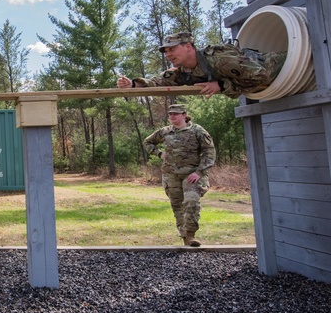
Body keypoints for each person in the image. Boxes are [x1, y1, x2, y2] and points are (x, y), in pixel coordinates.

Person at [115, 32, 286, 98]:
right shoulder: (184, 72)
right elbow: (158, 82)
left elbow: (262, 75)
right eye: (166, 52)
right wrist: (132, 84)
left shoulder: (219, 58)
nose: (168, 55)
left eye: (172, 49)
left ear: (188, 46)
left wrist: (220, 85)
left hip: (284, 65)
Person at [143, 104, 216, 247]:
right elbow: (148, 142)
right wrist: (159, 153)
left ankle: (191, 234)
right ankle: (185, 238)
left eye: (176, 114)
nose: (172, 117)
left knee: (191, 201)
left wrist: (199, 172)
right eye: (170, 114)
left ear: (184, 114)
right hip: (171, 175)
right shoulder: (165, 132)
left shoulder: (197, 130)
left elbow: (209, 152)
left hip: (192, 174)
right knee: (177, 205)